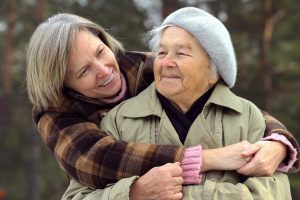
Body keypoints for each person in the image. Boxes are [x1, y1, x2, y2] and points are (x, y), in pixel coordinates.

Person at [25, 11, 298, 199]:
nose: (104, 70)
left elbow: (233, 106)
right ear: (63, 84)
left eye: (100, 52)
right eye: (83, 71)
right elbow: (98, 160)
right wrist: (136, 193)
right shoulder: (59, 113)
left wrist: (278, 141)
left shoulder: (145, 66)